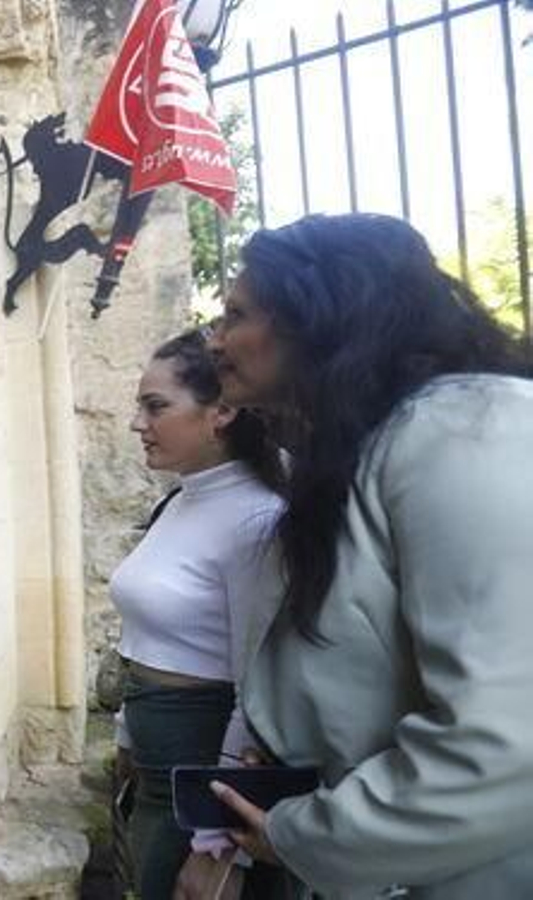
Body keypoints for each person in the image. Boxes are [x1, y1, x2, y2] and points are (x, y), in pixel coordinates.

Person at [203, 213, 533, 898]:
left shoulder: (466, 431)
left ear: (315, 315)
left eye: (235, 314)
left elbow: (506, 742)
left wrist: (307, 834)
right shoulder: (374, 446)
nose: (215, 339)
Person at [111, 328, 286, 899]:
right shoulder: (180, 498)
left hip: (201, 791)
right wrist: (126, 739)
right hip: (155, 777)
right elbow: (142, 634)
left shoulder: (257, 520)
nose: (138, 423)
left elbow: (258, 686)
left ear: (223, 412)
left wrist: (218, 844)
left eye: (155, 406)